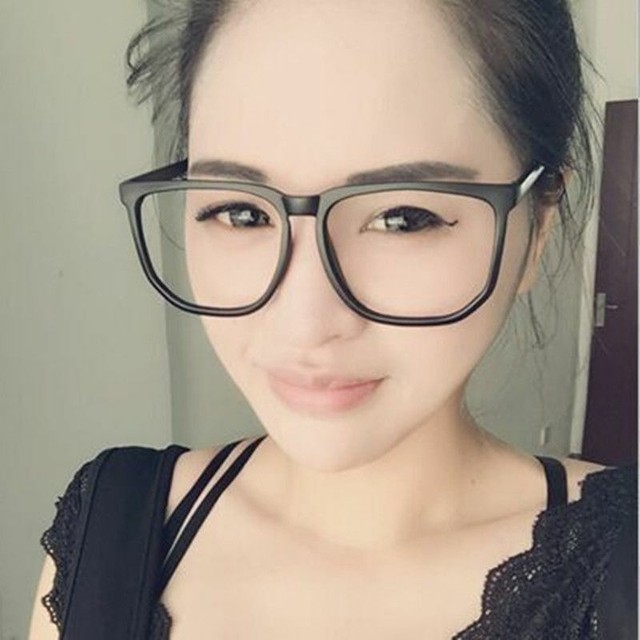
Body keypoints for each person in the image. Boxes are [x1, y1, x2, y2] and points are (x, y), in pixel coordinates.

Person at [29, 0, 637, 638]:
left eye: (402, 218)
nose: (305, 322)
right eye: (241, 212)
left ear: (537, 228)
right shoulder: (106, 532)